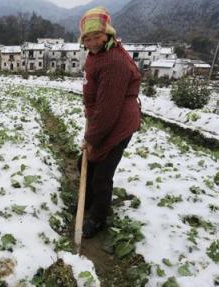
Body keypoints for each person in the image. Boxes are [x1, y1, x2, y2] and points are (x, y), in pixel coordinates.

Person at [78, 7, 141, 238]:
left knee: (102, 175)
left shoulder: (114, 62)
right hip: (103, 119)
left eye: (97, 36)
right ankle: (88, 202)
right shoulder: (98, 54)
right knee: (84, 164)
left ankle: (97, 218)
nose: (92, 42)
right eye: (87, 38)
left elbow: (108, 110)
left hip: (117, 124)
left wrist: (91, 139)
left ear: (108, 35)